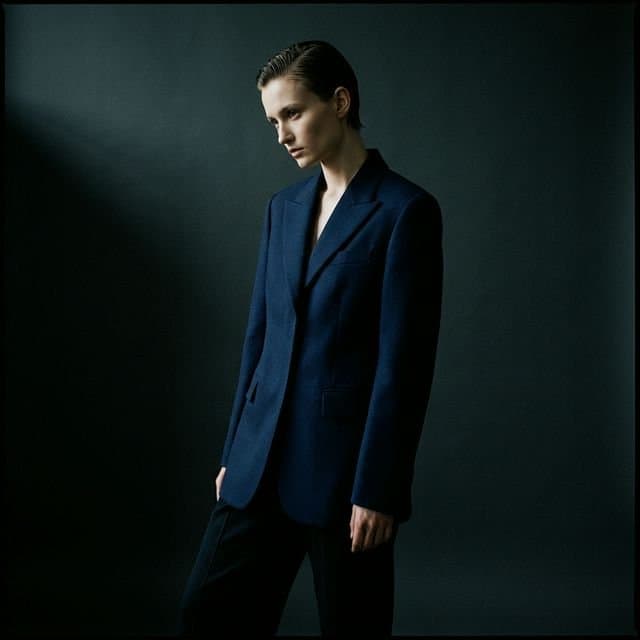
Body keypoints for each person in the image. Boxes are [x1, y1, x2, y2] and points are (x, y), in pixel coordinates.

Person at [178, 40, 443, 638]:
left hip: (343, 477)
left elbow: (403, 365)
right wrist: (234, 450)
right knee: (206, 617)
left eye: (293, 114)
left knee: (354, 627)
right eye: (273, 121)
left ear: (340, 102)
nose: (281, 135)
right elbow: (260, 339)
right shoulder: (283, 208)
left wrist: (379, 489)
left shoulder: (404, 211)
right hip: (258, 467)